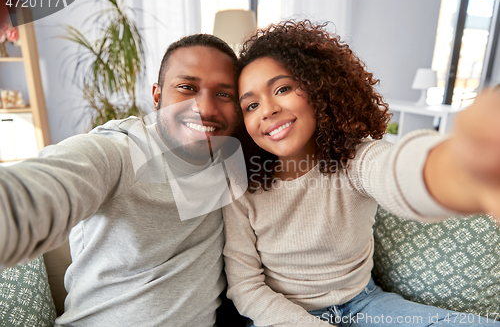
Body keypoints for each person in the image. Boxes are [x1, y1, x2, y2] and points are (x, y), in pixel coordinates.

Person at [222, 20, 500, 327]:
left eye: (283, 88)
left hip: (364, 303)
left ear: (318, 88)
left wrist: (461, 169)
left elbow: (394, 171)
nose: (267, 109)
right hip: (284, 315)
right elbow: (246, 287)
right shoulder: (241, 186)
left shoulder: (354, 158)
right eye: (250, 106)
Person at [0, 34, 246, 326]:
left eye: (223, 94)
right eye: (186, 87)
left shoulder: (233, 162)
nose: (205, 108)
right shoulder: (120, 152)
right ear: (157, 97)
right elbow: (41, 190)